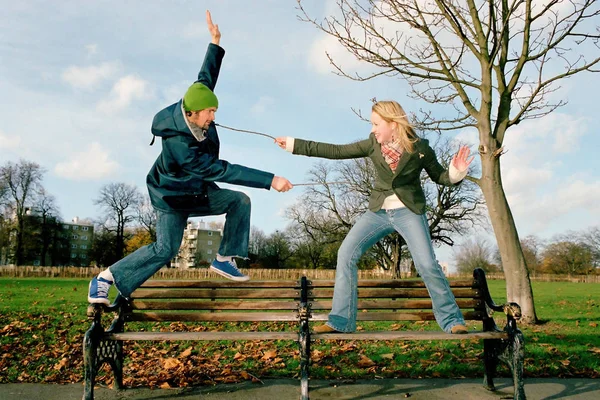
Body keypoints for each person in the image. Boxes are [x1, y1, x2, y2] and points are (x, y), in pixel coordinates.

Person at [88, 10, 293, 305]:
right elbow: (222, 170)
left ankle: (223, 259)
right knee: (165, 250)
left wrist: (215, 42)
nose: (213, 117)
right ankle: (106, 279)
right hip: (171, 197)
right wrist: (270, 179)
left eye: (215, 111)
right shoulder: (180, 146)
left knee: (239, 201)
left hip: (196, 190)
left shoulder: (196, 103)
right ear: (192, 115)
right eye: (210, 113)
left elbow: (205, 77)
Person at [275, 100, 473, 334]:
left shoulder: (421, 149)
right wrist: (293, 144)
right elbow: (336, 151)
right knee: (346, 254)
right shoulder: (372, 145)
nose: (372, 129)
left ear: (393, 123)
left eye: (376, 124)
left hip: (409, 211)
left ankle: (452, 321)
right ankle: (340, 321)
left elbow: (440, 177)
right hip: (378, 211)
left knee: (427, 264)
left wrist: (456, 172)